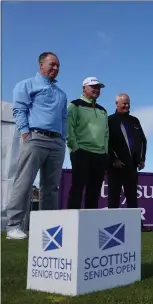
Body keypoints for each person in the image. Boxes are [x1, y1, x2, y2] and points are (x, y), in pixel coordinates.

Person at [5, 52, 67, 240]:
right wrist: (25, 132)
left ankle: (47, 227)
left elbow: (63, 118)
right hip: (35, 137)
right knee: (24, 182)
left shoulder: (61, 93)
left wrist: (63, 138)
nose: (55, 68)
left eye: (58, 66)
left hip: (57, 142)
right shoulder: (26, 85)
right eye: (52, 64)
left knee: (51, 187)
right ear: (41, 64)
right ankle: (14, 225)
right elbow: (20, 109)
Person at [107, 93, 152, 232]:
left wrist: (142, 159)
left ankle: (137, 226)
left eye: (128, 103)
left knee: (132, 197)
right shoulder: (109, 120)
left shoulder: (134, 121)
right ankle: (111, 226)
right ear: (116, 104)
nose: (126, 106)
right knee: (114, 198)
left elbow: (143, 140)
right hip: (115, 166)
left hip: (132, 166)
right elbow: (105, 143)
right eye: (123, 103)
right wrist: (114, 159)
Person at [66, 77, 109, 209]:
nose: (96, 89)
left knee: (94, 190)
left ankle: (91, 223)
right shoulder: (74, 105)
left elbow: (106, 133)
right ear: (84, 88)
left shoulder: (103, 110)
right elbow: (69, 127)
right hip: (81, 151)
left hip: (100, 154)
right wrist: (75, 147)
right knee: (78, 187)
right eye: (93, 87)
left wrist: (105, 151)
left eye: (98, 87)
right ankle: (72, 221)